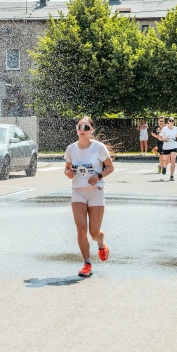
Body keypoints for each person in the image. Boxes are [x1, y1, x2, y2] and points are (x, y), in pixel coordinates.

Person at [64, 116, 114, 277]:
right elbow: (66, 169)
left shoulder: (98, 148)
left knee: (93, 232)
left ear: (91, 130)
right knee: (80, 229)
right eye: (80, 127)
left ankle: (100, 241)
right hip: (78, 191)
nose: (82, 130)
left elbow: (110, 167)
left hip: (95, 192)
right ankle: (87, 263)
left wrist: (99, 176)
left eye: (86, 127)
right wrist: (68, 173)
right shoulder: (71, 149)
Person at [156, 117, 177, 181]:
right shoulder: (164, 129)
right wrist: (165, 139)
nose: (171, 122)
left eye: (173, 121)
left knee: (173, 160)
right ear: (168, 122)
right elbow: (159, 138)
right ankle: (164, 167)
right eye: (170, 121)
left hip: (174, 145)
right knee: (167, 161)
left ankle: (171, 175)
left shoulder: (176, 128)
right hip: (166, 146)